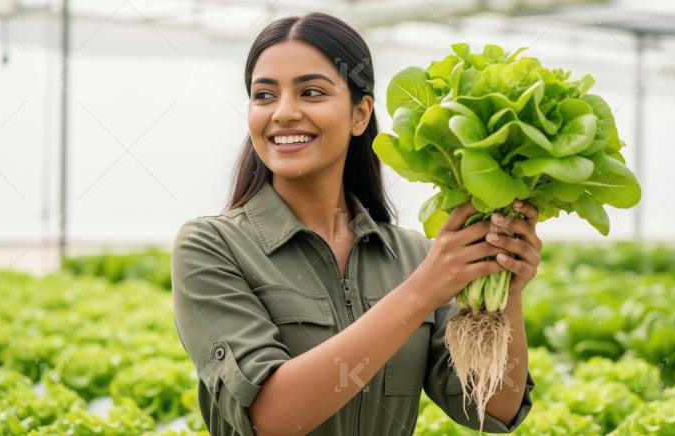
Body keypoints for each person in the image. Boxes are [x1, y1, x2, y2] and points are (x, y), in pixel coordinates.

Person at [171, 11, 542, 436]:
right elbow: (269, 418)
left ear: (360, 115)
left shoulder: (413, 254)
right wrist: (420, 293)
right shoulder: (211, 245)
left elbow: (490, 407)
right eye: (264, 96)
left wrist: (506, 295)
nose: (284, 113)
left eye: (311, 92)